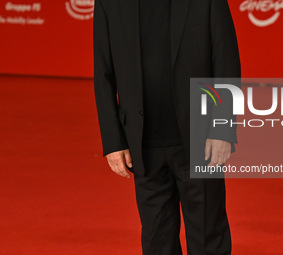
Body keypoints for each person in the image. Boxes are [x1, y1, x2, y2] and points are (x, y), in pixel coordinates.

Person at [93, 0, 241, 254]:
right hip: (143, 144)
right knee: (156, 242)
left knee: (208, 238)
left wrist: (222, 128)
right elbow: (103, 71)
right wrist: (113, 140)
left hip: (200, 140)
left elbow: (226, 61)